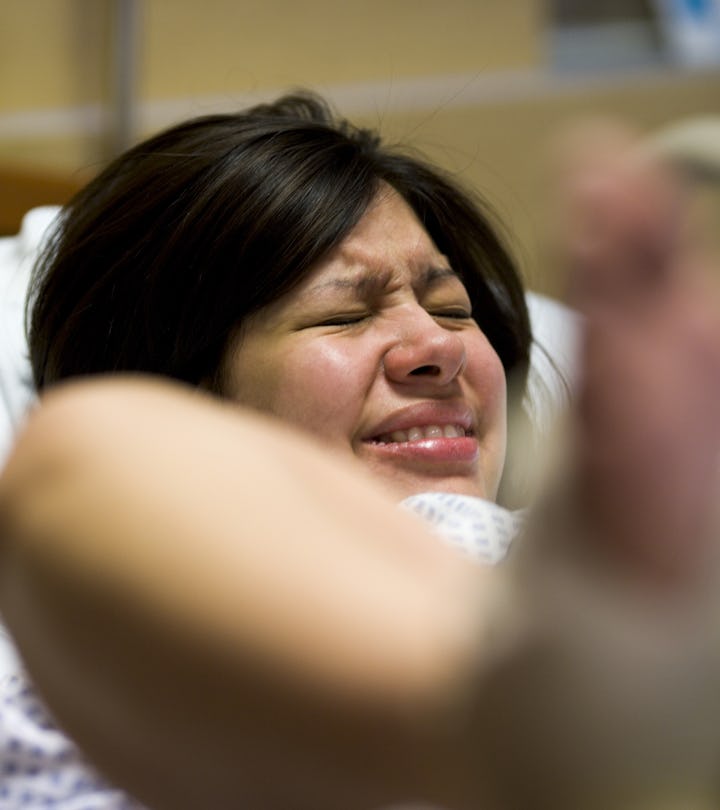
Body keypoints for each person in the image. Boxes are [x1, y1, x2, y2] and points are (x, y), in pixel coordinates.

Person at [2, 95, 720, 809]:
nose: (438, 347)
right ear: (187, 394)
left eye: (453, 309)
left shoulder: (579, 567)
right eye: (342, 315)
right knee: (79, 445)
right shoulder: (85, 644)